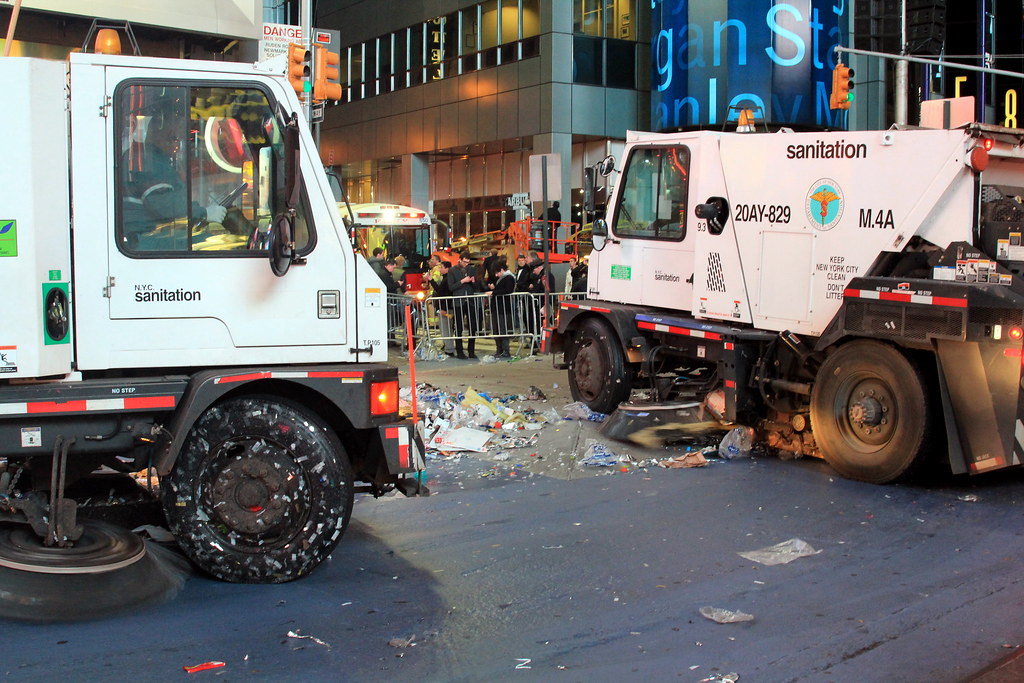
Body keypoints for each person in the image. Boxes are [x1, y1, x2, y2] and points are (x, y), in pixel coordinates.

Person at [122, 106, 226, 249]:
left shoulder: (145, 156)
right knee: (215, 245)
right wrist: (203, 212)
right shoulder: (148, 160)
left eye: (177, 140)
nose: (176, 145)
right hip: (148, 238)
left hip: (147, 235)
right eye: (172, 138)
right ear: (157, 132)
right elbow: (163, 203)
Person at [447, 250, 480, 359]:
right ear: (460, 260)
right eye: (464, 262)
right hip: (458, 301)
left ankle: (471, 351)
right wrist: (462, 281)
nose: (466, 264)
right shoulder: (452, 271)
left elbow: (476, 286)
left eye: (468, 262)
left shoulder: (471, 269)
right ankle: (460, 351)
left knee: (472, 327)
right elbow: (451, 287)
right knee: (459, 327)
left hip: (470, 300)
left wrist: (473, 281)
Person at [489, 259, 516, 358]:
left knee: (502, 329)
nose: (496, 275)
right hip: (498, 307)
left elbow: (508, 290)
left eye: (497, 273)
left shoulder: (509, 278)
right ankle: (499, 349)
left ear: (501, 270)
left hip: (503, 308)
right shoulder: (503, 278)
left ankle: (505, 350)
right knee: (496, 329)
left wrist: (494, 292)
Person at [430, 259, 456, 356]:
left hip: (445, 307)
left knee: (446, 329)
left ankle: (449, 349)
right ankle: (448, 346)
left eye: (441, 267)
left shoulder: (447, 279)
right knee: (447, 328)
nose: (440, 269)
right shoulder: (447, 278)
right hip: (445, 307)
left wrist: (431, 280)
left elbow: (441, 291)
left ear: (447, 268)